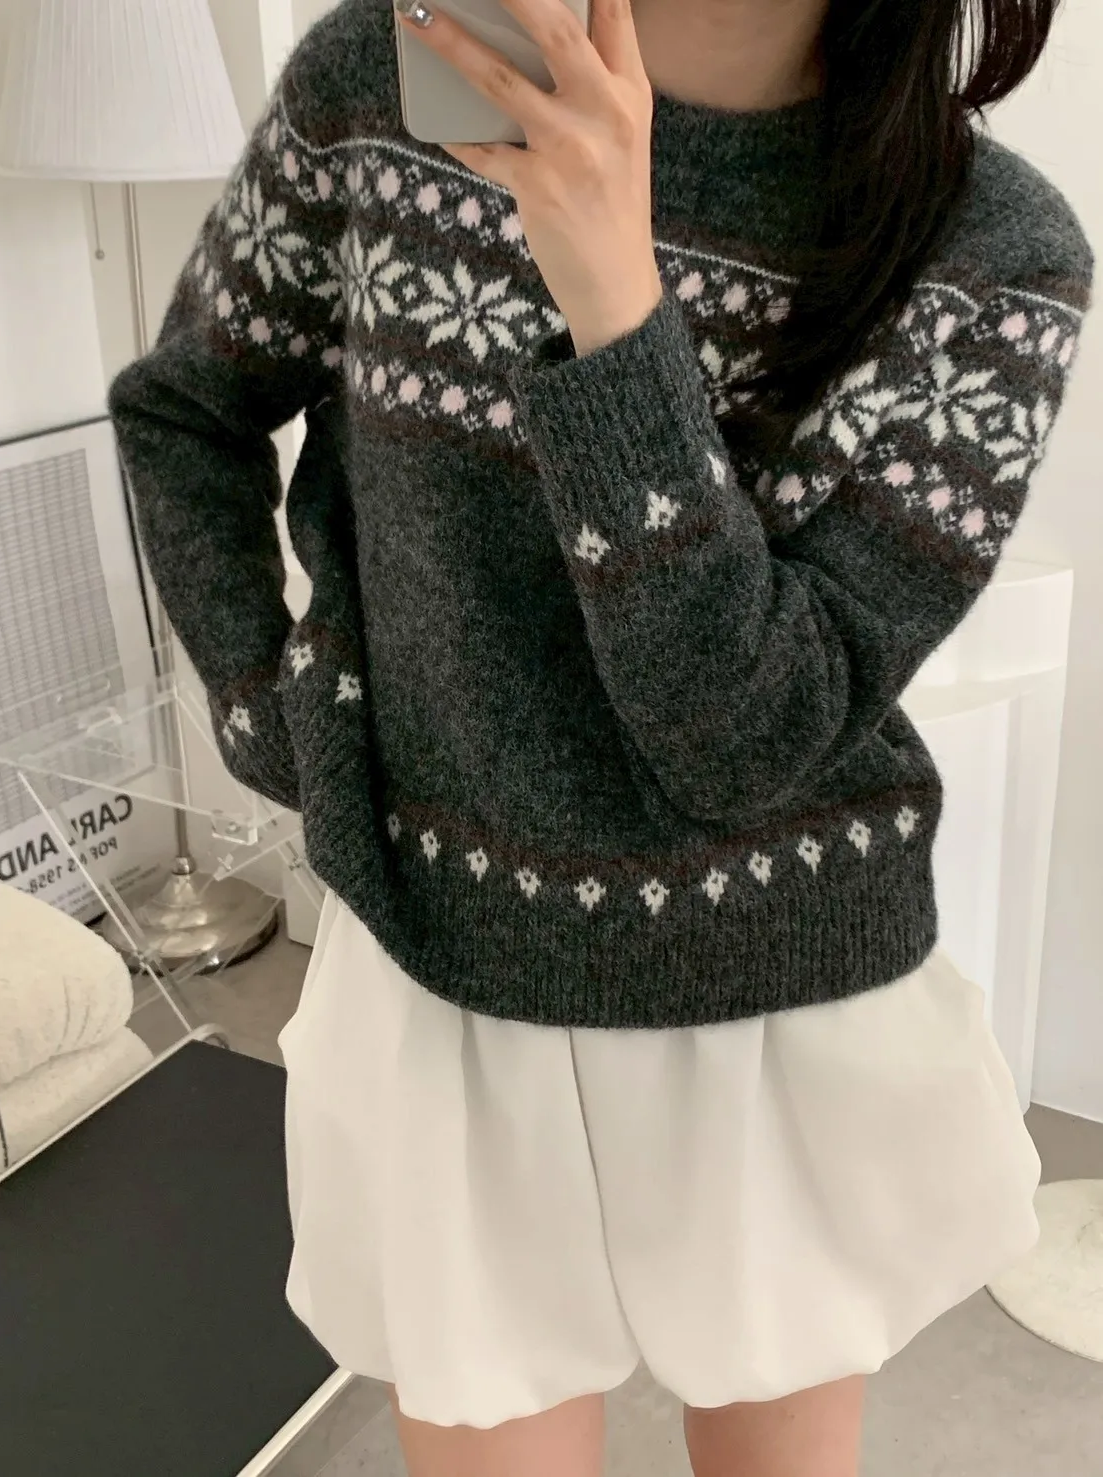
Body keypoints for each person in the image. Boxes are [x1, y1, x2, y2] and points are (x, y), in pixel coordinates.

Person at [109, 0, 1093, 1472]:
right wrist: (270, 716)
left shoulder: (990, 254)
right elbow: (188, 408)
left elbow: (744, 737)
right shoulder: (386, 83)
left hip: (776, 989)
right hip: (445, 968)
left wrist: (615, 306)